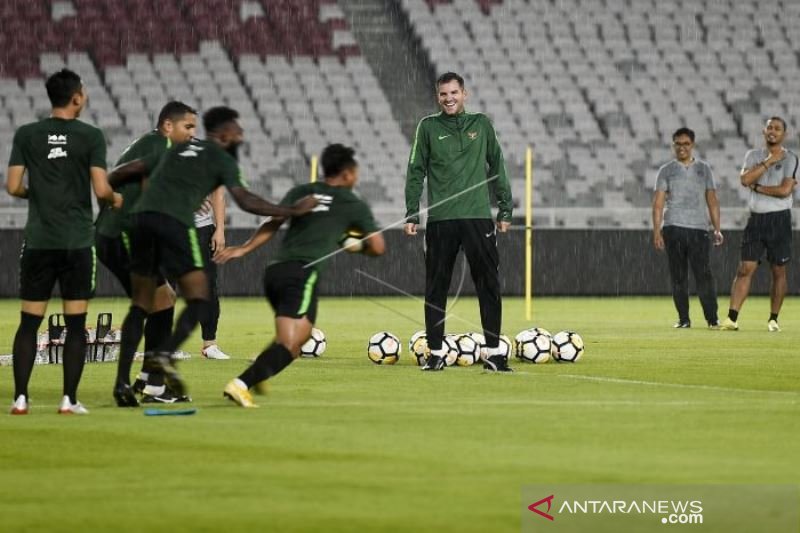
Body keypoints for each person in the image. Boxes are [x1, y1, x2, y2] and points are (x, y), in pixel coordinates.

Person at [108, 106, 317, 407]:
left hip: (140, 222)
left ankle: (122, 383)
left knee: (142, 303)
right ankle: (162, 357)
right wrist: (293, 211)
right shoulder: (221, 158)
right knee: (200, 298)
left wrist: (123, 198)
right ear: (223, 134)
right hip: (175, 225)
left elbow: (122, 172)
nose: (241, 136)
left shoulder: (177, 150)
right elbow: (247, 201)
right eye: (237, 131)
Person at [215, 143, 385, 408]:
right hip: (302, 274)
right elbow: (378, 247)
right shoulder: (353, 204)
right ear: (349, 174)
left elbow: (273, 222)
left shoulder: (301, 191)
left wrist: (244, 249)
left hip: (275, 271)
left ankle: (261, 369)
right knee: (290, 344)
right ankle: (241, 384)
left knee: (301, 335)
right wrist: (351, 241)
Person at [5, 68, 121, 415]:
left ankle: (21, 399)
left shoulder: (27, 134)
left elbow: (12, 187)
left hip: (40, 240)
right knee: (74, 325)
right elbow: (101, 190)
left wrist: (39, 195)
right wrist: (117, 200)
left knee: (29, 322)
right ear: (76, 98)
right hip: (77, 241)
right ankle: (68, 400)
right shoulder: (91, 137)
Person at [404, 72, 513, 372]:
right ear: (437, 97)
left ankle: (494, 353)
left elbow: (498, 165)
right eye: (443, 94)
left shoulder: (482, 124)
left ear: (465, 94)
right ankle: (436, 353)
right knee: (436, 288)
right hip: (441, 221)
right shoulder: (427, 127)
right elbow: (415, 171)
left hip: (478, 218)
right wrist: (412, 212)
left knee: (488, 284)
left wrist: (505, 209)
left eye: (454, 92)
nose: (449, 98)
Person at [97, 101, 198, 405]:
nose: (192, 134)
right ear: (168, 125)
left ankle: (144, 377)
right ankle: (145, 384)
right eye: (188, 127)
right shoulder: (162, 149)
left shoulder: (149, 144)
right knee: (149, 303)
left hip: (114, 233)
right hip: (124, 235)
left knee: (160, 299)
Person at [721, 116, 798, 332]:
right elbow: (745, 180)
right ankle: (732, 318)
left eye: (777, 128)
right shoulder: (753, 155)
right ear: (764, 131)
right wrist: (768, 162)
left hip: (779, 220)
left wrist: (757, 187)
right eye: (769, 127)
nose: (772, 131)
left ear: (784, 134)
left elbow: (784, 191)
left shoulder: (791, 158)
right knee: (745, 268)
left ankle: (773, 319)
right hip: (756, 220)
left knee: (778, 270)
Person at [652, 127, 723, 329]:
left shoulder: (704, 169)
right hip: (673, 227)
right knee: (678, 276)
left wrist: (717, 228)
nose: (682, 148)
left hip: (699, 229)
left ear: (692, 145)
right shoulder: (666, 170)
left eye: (686, 144)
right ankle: (684, 319)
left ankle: (712, 319)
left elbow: (712, 200)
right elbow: (657, 203)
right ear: (673, 145)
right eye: (678, 144)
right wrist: (657, 231)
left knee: (704, 275)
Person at [194, 188, 230, 360]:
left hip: (202, 229)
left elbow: (217, 192)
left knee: (208, 287)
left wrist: (220, 229)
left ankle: (210, 344)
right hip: (170, 226)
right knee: (165, 287)